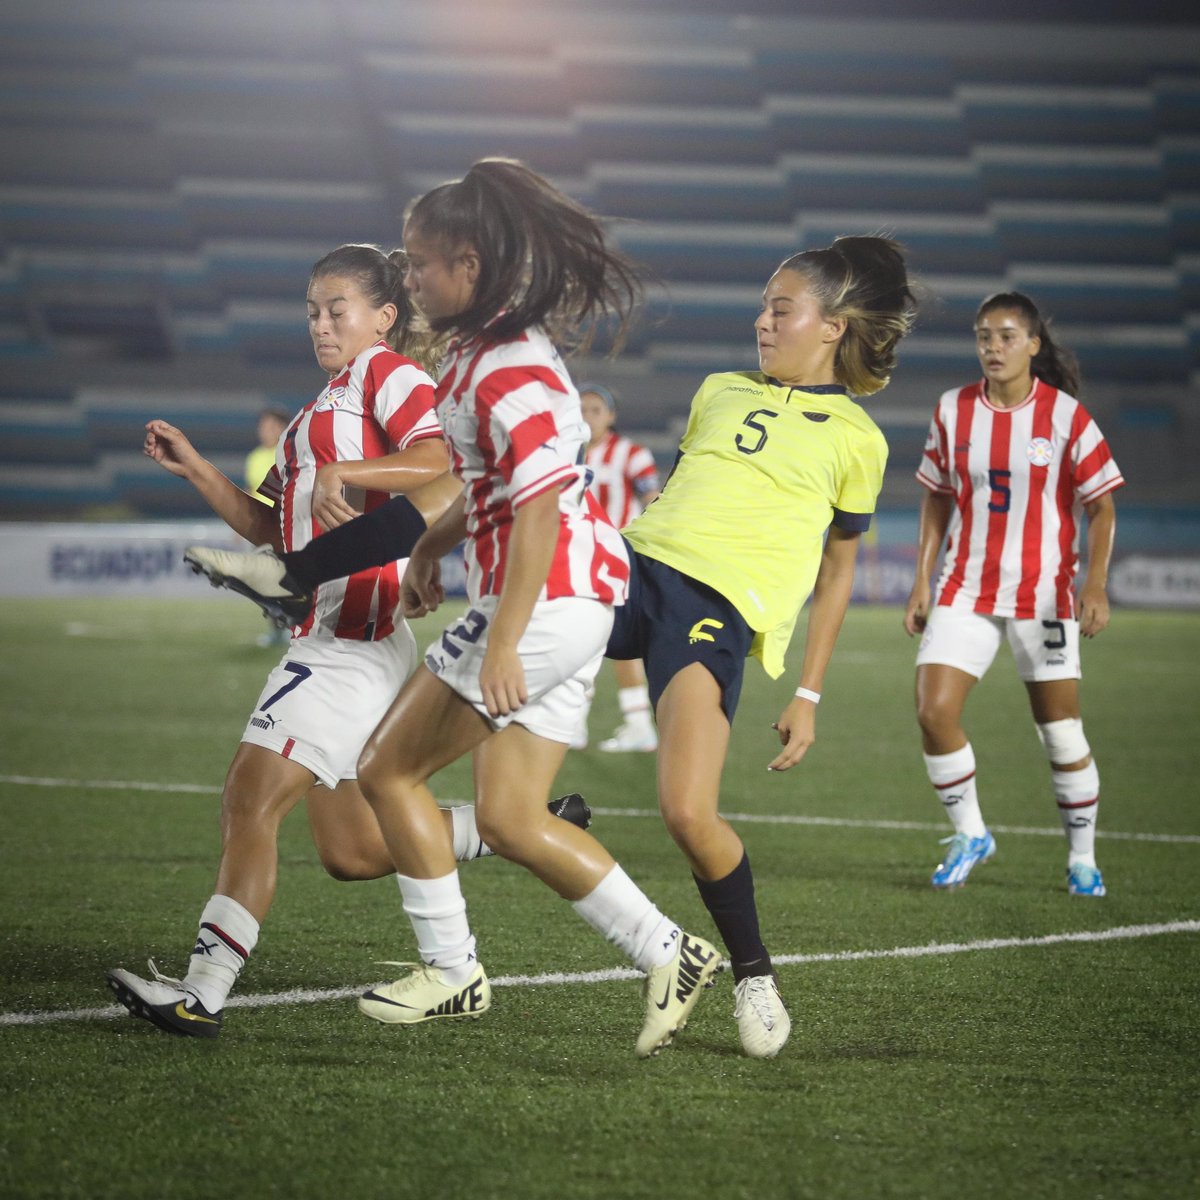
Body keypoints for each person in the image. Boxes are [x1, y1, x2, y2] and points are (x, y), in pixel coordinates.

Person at [187, 230, 919, 1060]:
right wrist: (414, 554)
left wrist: (809, 691)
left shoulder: (857, 438)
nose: (761, 320)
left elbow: (836, 570)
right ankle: (649, 953)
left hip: (712, 611)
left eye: (779, 309)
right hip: (627, 572)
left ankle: (747, 973)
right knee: (505, 814)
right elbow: (508, 491)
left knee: (683, 811)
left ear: (832, 327)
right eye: (761, 306)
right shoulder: (719, 390)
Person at [107, 243, 590, 1039]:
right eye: (312, 310)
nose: (322, 324)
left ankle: (202, 990)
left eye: (338, 308)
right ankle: (519, 825)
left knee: (247, 799)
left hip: (345, 640)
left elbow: (442, 460)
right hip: (353, 641)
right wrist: (198, 471)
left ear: (384, 317)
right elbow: (271, 530)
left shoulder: (387, 374)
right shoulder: (310, 415)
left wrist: (352, 473)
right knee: (354, 850)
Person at [347, 159, 721, 1060]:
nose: (410, 278)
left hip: (549, 598)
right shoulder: (485, 351)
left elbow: (541, 508)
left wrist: (504, 639)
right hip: (579, 598)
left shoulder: (504, 362)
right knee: (513, 818)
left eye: (421, 263)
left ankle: (452, 969)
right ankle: (670, 950)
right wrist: (432, 554)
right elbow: (489, 490)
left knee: (384, 771)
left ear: (468, 267)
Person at [903, 291, 1123, 897]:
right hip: (964, 587)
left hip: (1044, 594)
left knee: (1060, 734)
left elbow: (1101, 508)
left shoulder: (1065, 417)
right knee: (932, 712)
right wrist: (922, 579)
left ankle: (1082, 858)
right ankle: (971, 833)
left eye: (1005, 336)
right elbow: (937, 496)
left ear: (1032, 344)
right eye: (983, 337)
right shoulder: (953, 410)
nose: (992, 348)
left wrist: (1096, 583)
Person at [573, 381, 660, 753]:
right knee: (577, 640)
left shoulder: (632, 454)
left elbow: (654, 502)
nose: (587, 417)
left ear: (611, 416)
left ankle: (639, 723)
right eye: (581, 409)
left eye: (595, 410)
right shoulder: (564, 452)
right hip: (576, 557)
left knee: (617, 641)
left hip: (619, 558)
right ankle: (573, 722)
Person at [245, 406, 293, 647]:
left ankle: (293, 629)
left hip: (285, 526)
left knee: (288, 580)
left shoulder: (289, 454)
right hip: (260, 528)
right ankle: (276, 630)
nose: (264, 431)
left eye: (271, 426)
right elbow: (252, 491)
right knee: (264, 582)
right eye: (262, 426)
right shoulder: (253, 457)